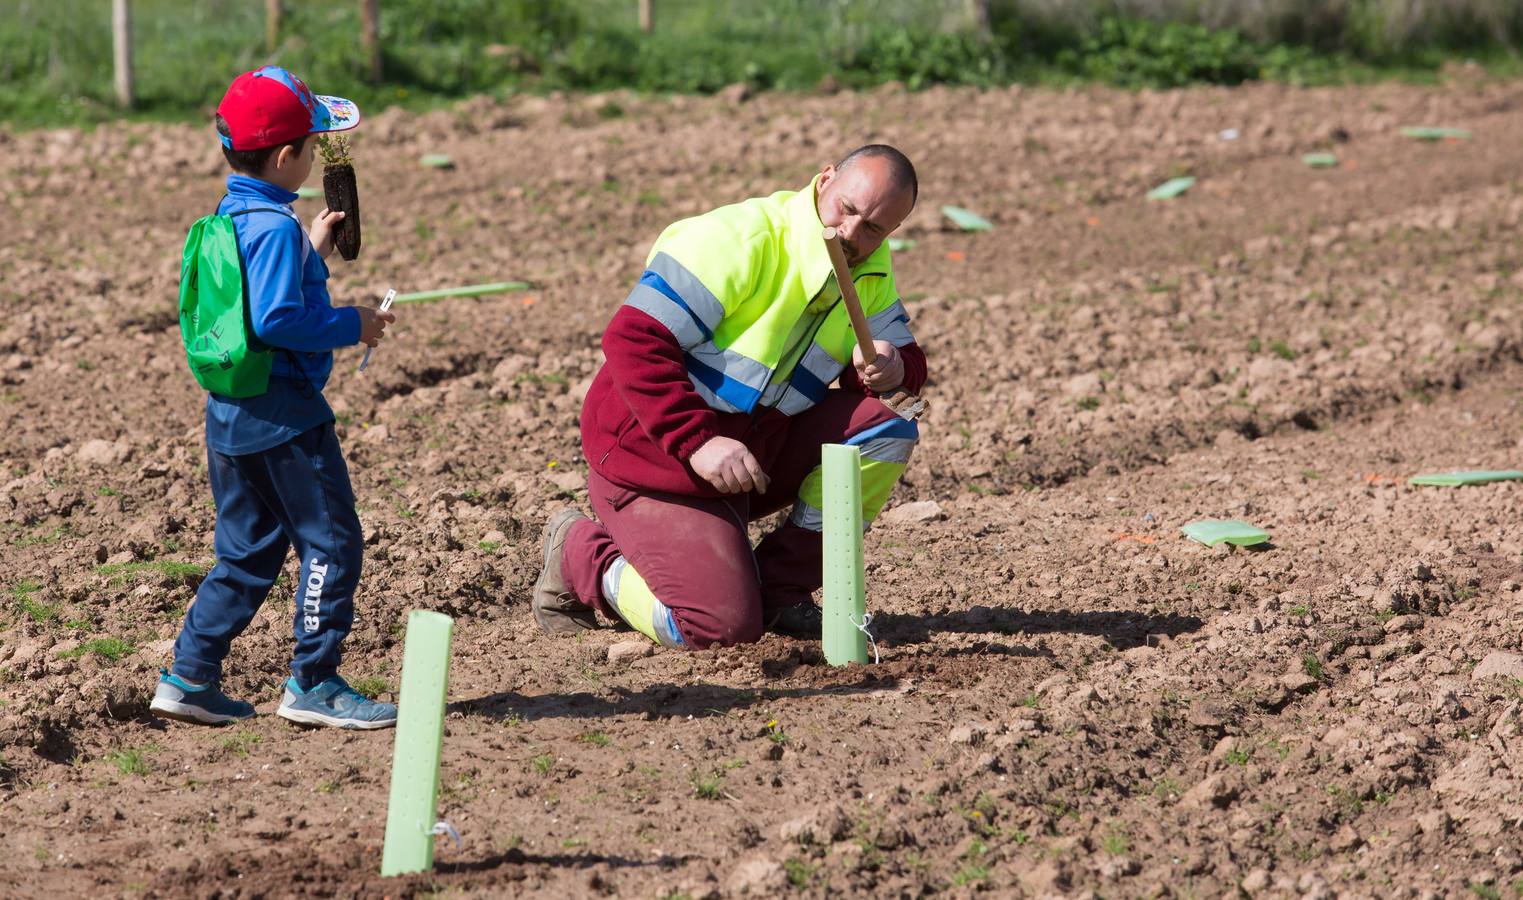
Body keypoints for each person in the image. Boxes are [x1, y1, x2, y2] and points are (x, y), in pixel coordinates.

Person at [533, 145, 928, 650]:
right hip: (654, 460)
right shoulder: (740, 239)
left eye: (874, 228)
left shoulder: (870, 266)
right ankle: (582, 554)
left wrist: (892, 367)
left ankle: (780, 591)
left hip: (749, 456)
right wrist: (698, 442)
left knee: (886, 425)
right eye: (847, 210)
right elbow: (632, 338)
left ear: (891, 232)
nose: (852, 234)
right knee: (717, 628)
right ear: (825, 179)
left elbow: (905, 368)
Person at [150, 66, 397, 728]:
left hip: (232, 416)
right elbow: (275, 321)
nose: (316, 159)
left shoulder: (236, 216)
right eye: (312, 149)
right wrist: (354, 323)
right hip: (286, 419)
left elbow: (258, 295)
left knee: (247, 552)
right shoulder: (275, 229)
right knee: (333, 541)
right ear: (286, 157)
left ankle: (189, 676)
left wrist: (311, 250)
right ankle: (314, 682)